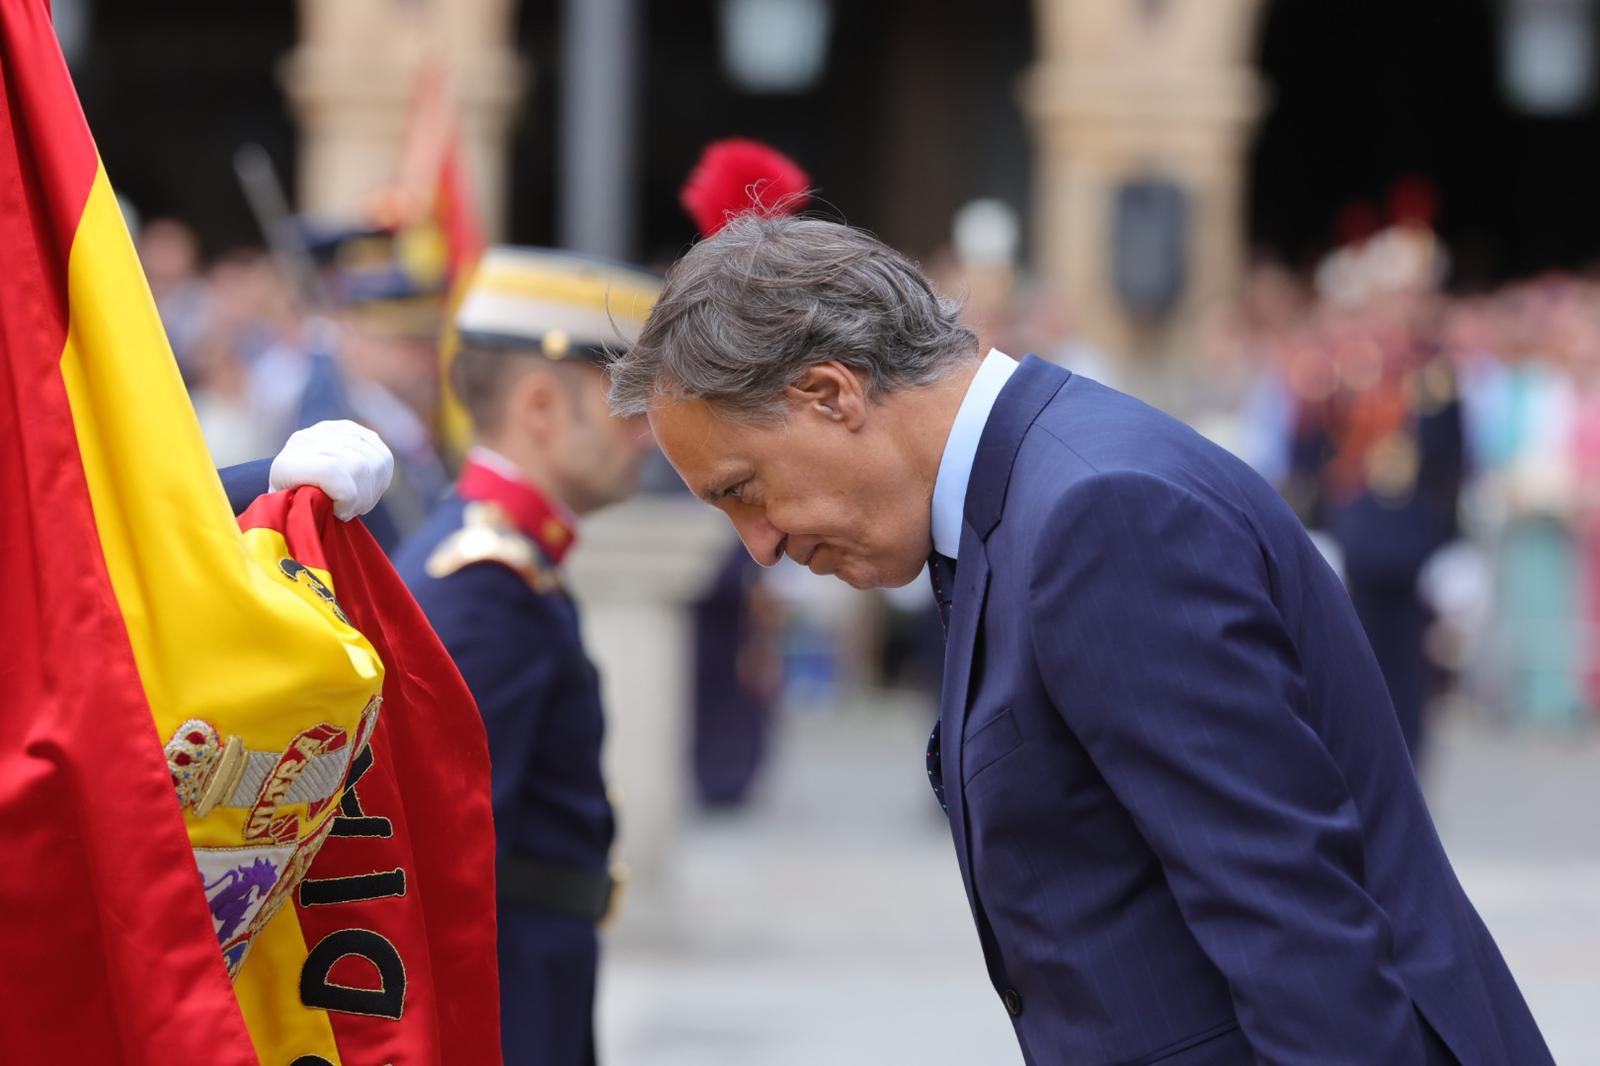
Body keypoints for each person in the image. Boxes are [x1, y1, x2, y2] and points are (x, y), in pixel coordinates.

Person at [606, 213, 1553, 1066]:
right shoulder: (1037, 494)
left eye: (745, 488)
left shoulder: (1100, 515)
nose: (760, 545)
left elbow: (1296, 931)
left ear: (829, 394)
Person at [390, 246, 660, 1066]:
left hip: (533, 969)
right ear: (541, 404)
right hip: (510, 993)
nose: (648, 437)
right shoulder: (487, 586)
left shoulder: (507, 564)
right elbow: (441, 858)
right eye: (626, 407)